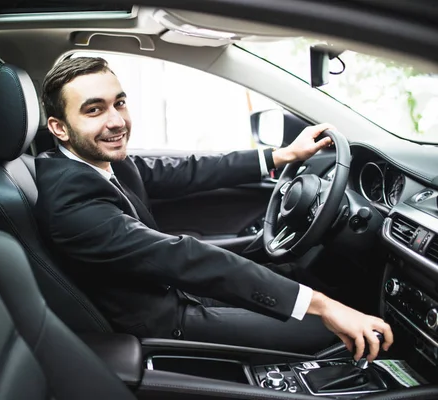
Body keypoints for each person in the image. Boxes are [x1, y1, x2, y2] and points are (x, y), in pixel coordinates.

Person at [34, 57, 393, 359]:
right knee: (326, 334)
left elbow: (187, 170)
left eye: (120, 103)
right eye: (94, 110)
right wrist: (323, 306)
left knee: (297, 274)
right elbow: (183, 257)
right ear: (59, 128)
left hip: (172, 289)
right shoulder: (72, 202)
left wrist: (279, 156)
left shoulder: (93, 160)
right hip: (162, 321)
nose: (116, 121)